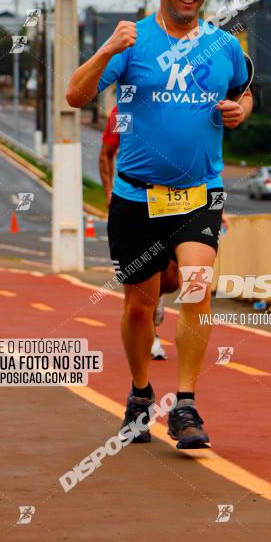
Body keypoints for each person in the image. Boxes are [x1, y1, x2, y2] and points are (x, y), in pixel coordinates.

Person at [66, 0, 252, 450]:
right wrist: (106, 49)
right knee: (137, 307)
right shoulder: (133, 42)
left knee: (197, 288)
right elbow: (75, 95)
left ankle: (186, 406)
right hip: (136, 195)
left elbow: (244, 89)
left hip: (199, 192)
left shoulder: (223, 44)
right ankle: (140, 394)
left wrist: (242, 110)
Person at [99, 105, 169, 360]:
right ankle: (151, 332)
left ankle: (157, 298)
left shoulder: (179, 104)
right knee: (139, 283)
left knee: (172, 279)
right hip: (135, 202)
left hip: (176, 202)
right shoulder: (123, 114)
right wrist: (109, 190)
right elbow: (107, 153)